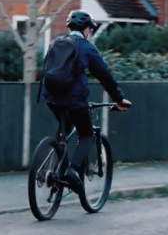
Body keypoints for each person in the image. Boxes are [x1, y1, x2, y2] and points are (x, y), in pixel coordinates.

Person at [42, 10, 131, 193]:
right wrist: (119, 98)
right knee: (86, 134)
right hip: (75, 101)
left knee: (63, 131)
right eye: (89, 29)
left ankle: (55, 170)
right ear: (86, 29)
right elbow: (104, 76)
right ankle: (72, 170)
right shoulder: (87, 48)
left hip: (51, 98)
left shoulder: (55, 43)